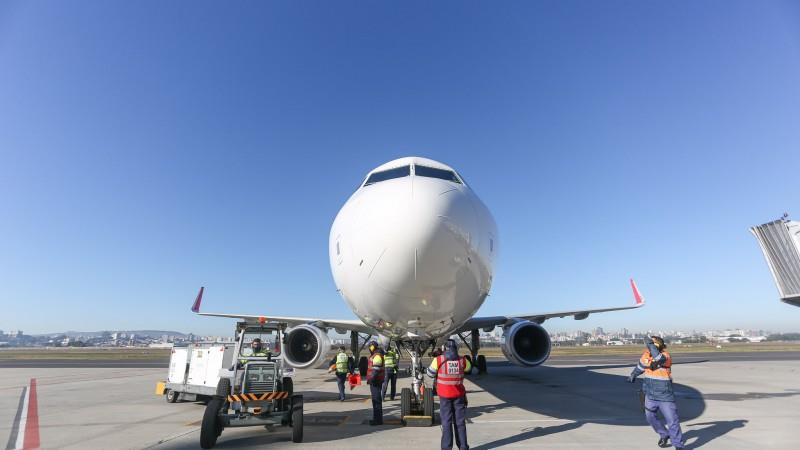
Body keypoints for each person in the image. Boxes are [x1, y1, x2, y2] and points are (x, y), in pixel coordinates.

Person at [628, 336, 685, 450]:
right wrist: (633, 374)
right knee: (650, 418)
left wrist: (650, 344)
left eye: (652, 343)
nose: (649, 346)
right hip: (650, 395)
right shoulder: (646, 355)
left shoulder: (665, 356)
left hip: (665, 396)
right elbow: (641, 366)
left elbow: (658, 359)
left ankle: (678, 445)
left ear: (658, 345)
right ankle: (664, 434)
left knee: (672, 421)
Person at [427, 339, 471, 450]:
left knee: (446, 422)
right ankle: (463, 447)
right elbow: (469, 369)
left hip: (445, 397)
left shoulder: (439, 360)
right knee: (460, 422)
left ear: (444, 348)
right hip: (459, 395)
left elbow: (430, 374)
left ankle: (447, 447)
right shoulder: (462, 360)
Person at [365, 340, 385, 425]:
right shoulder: (376, 355)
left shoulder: (377, 356)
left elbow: (376, 370)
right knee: (376, 400)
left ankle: (377, 420)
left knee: (376, 400)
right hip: (376, 381)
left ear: (372, 347)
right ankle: (377, 419)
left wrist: (371, 379)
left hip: (375, 381)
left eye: (370, 347)